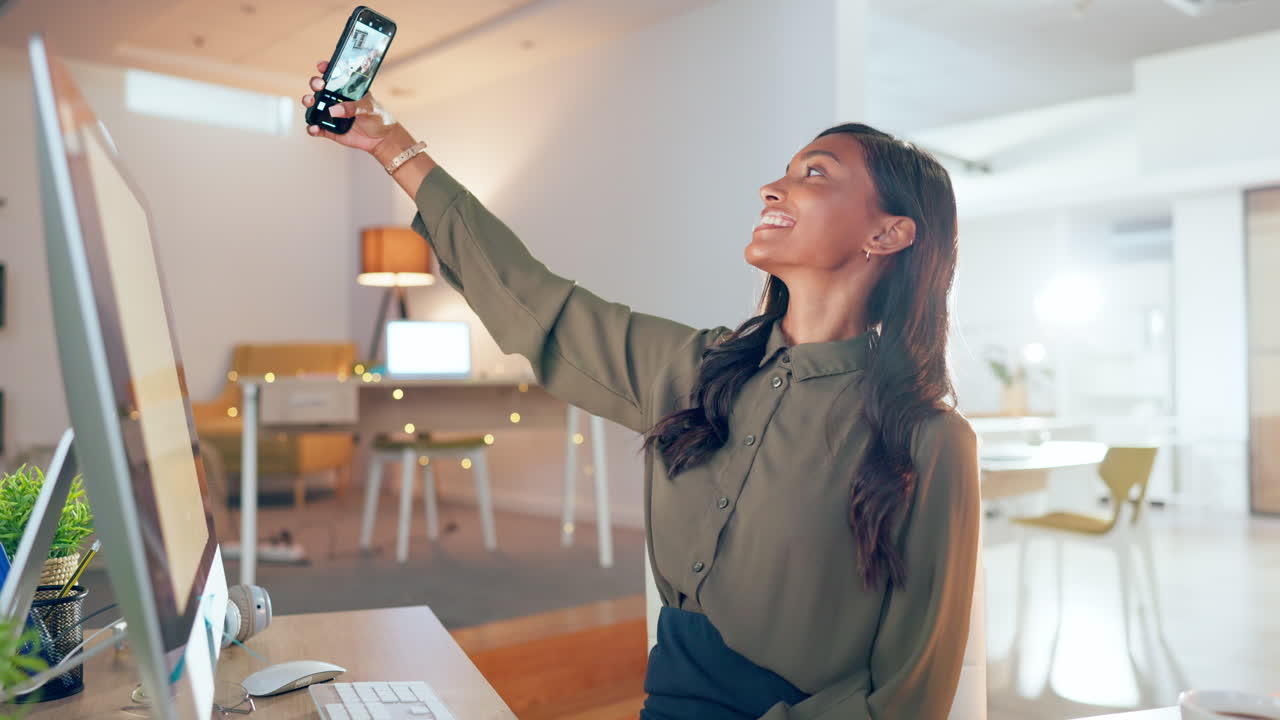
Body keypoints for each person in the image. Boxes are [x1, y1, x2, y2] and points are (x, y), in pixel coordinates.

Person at [301, 59, 980, 720]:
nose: (773, 188)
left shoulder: (930, 441)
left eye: (814, 174)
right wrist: (392, 147)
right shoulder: (695, 368)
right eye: (786, 170)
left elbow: (910, 692)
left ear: (888, 233)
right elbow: (536, 302)